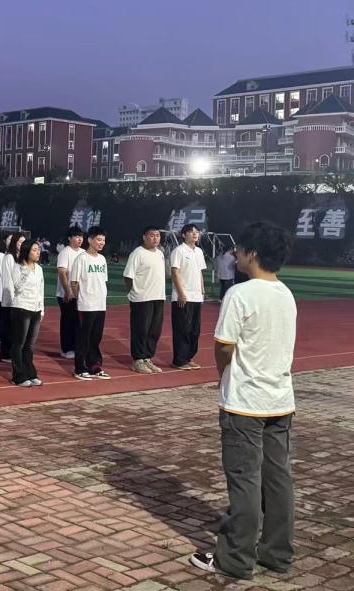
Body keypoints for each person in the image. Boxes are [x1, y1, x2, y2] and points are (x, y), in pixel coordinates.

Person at [190, 221, 297, 581]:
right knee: (277, 479)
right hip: (280, 400)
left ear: (253, 253)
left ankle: (235, 558)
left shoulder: (240, 294)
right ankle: (277, 553)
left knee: (245, 480)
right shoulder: (285, 293)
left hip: (245, 403)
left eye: (239, 249)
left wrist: (224, 376)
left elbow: (224, 346)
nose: (234, 254)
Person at [123, 226, 167, 374]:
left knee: (154, 330)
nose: (156, 238)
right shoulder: (137, 253)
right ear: (144, 237)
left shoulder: (160, 253)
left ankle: (147, 357)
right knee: (140, 330)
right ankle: (138, 360)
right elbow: (128, 276)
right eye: (152, 235)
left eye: (158, 235)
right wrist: (135, 291)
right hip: (142, 299)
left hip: (158, 297)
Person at [70, 226, 111, 380]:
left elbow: (103, 281)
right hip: (86, 304)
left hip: (100, 304)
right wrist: (80, 298)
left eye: (103, 240)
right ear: (90, 240)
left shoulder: (102, 259)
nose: (102, 243)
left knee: (96, 337)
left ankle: (94, 366)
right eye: (99, 240)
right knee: (84, 338)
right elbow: (74, 282)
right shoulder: (81, 259)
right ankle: (80, 368)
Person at [8, 238, 45, 387]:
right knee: (19, 343)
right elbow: (18, 287)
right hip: (21, 308)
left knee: (30, 345)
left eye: (38, 250)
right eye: (34, 250)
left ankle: (30, 373)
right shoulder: (17, 267)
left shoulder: (39, 269)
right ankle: (18, 376)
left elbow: (41, 290)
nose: (38, 253)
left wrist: (42, 310)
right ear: (26, 251)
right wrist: (25, 270)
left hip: (35, 309)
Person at [171, 223, 207, 371]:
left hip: (196, 296)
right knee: (182, 329)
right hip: (183, 296)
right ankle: (179, 360)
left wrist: (202, 289)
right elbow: (175, 273)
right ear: (184, 235)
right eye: (191, 232)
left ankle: (188, 357)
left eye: (197, 232)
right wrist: (181, 293)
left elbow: (199, 272)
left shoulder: (198, 251)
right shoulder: (179, 251)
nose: (195, 234)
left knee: (194, 330)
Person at [56, 226, 85, 360]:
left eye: (81, 237)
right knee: (68, 321)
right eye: (77, 237)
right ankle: (66, 348)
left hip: (80, 294)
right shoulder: (65, 253)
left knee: (78, 322)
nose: (80, 239)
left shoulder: (84, 253)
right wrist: (67, 291)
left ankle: (76, 347)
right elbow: (62, 273)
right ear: (69, 238)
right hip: (66, 294)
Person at [0, 232, 25, 361]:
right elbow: (7, 280)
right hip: (10, 300)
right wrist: (13, 298)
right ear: (14, 243)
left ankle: (14, 353)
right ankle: (6, 354)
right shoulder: (9, 257)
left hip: (20, 300)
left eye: (24, 242)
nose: (22, 244)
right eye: (20, 242)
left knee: (17, 329)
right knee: (8, 328)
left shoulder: (23, 258)